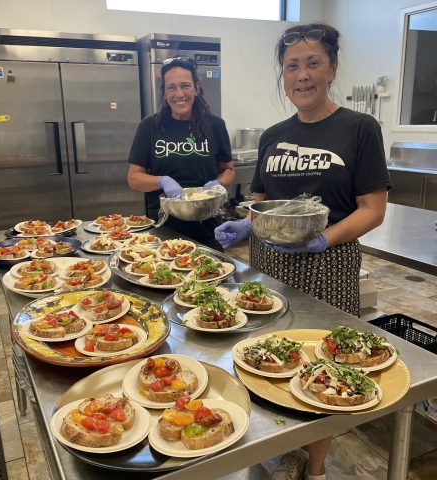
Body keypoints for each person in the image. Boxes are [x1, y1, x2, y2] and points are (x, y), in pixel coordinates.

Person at [215, 23, 392, 480]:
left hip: (328, 264)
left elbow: (373, 210)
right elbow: (262, 204)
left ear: (331, 68)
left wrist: (324, 238)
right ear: (283, 73)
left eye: (313, 63)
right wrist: (245, 222)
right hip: (269, 266)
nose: (302, 74)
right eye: (292, 65)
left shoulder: (359, 128)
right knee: (265, 357)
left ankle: (315, 465)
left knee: (323, 365)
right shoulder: (273, 135)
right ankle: (272, 445)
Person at [127, 56, 234, 249]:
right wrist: (162, 181)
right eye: (171, 87)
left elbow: (228, 169)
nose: (179, 93)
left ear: (196, 88)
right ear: (164, 92)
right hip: (163, 229)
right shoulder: (150, 126)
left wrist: (218, 184)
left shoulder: (215, 125)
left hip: (208, 227)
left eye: (185, 85)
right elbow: (134, 178)